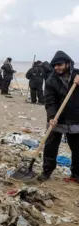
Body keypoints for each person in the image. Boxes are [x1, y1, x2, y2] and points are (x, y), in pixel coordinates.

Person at [39, 51, 79, 182]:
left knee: (77, 148)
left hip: (75, 118)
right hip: (57, 118)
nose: (57, 67)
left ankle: (76, 174)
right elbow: (50, 100)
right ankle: (47, 171)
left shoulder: (77, 75)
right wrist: (51, 116)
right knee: (50, 147)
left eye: (59, 64)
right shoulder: (51, 80)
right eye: (54, 65)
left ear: (68, 63)